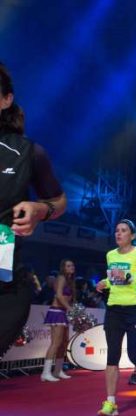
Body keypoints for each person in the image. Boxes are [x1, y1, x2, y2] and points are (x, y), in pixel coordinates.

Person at [0, 63, 67, 360]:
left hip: (5, 283)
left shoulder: (28, 152)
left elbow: (59, 201)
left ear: (6, 100)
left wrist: (39, 209)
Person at [95, 219, 136, 416]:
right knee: (112, 356)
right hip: (114, 308)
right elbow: (115, 280)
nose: (118, 234)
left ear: (132, 235)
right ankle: (111, 402)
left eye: (123, 231)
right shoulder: (110, 255)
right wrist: (105, 283)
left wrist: (131, 277)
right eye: (117, 231)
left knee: (134, 355)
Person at [41, 259, 75, 382]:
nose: (71, 267)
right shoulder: (61, 278)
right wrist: (70, 308)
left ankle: (58, 370)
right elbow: (59, 295)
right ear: (63, 268)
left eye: (72, 265)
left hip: (63, 312)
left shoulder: (70, 281)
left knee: (64, 343)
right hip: (57, 312)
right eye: (68, 266)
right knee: (55, 343)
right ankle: (45, 373)